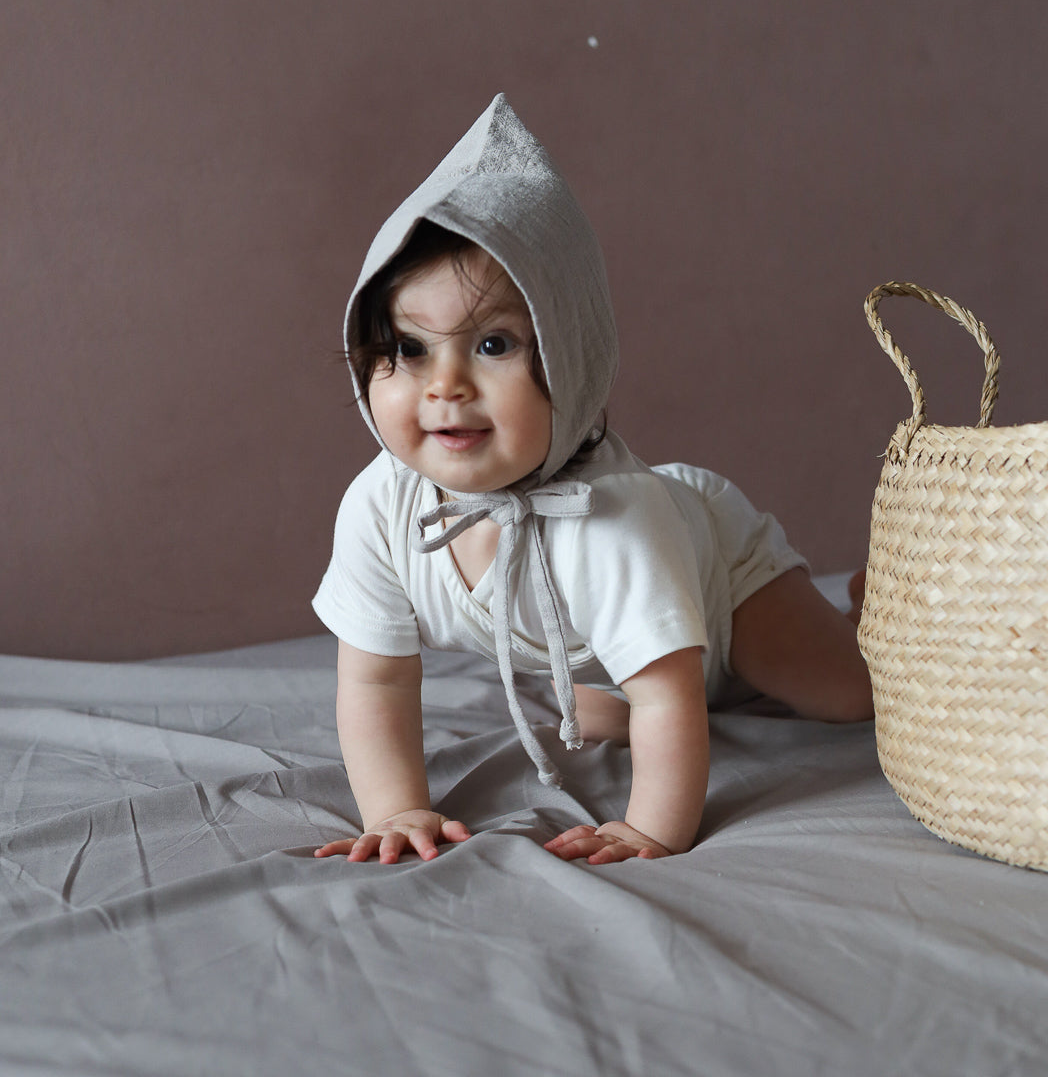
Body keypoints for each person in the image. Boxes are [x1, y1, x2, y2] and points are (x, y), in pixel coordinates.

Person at [312, 95, 871, 868]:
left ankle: (864, 616)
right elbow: (375, 684)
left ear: (570, 359)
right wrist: (398, 807)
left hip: (720, 577)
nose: (444, 386)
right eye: (408, 347)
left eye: (494, 344)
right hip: (592, 646)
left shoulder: (616, 518)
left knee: (844, 698)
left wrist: (650, 829)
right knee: (608, 723)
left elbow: (669, 699)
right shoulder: (381, 505)